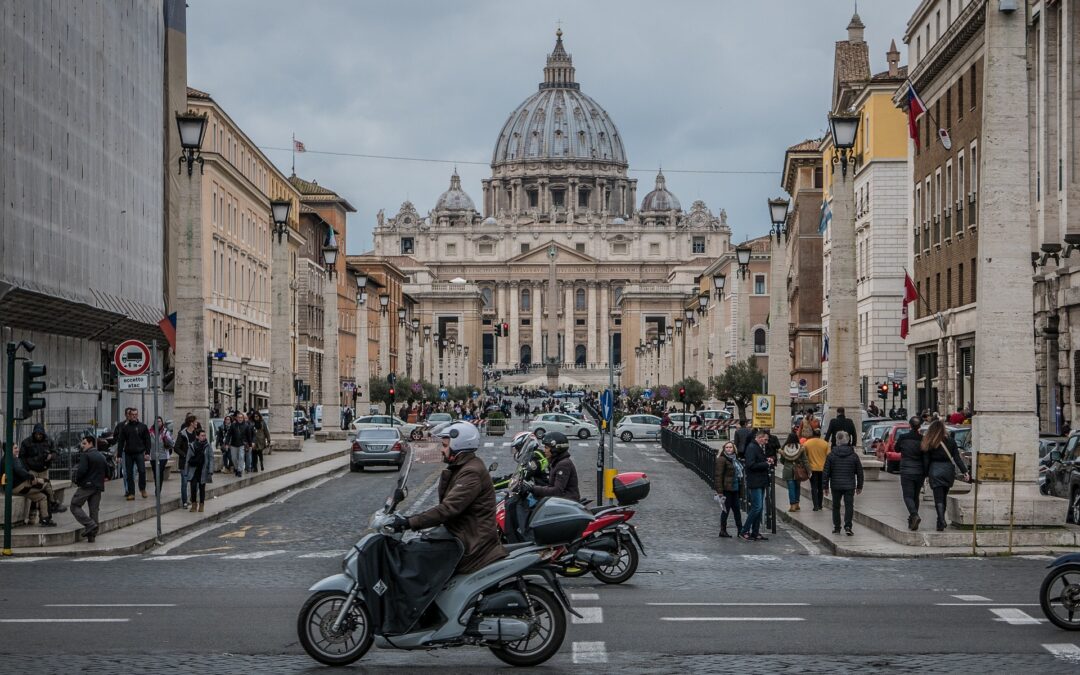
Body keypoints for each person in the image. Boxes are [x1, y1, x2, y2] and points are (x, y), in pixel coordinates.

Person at [390, 422, 507, 574]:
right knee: (420, 547)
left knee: (417, 557)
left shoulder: (470, 472)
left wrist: (409, 522)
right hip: (462, 534)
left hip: (472, 543)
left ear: (458, 446)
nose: (442, 450)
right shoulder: (463, 467)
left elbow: (448, 509)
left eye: (445, 446)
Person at [922, 420, 969, 532]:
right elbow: (957, 458)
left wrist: (926, 474)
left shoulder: (930, 442)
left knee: (938, 497)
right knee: (944, 496)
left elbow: (926, 461)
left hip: (935, 469)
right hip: (948, 470)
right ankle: (940, 522)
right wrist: (965, 471)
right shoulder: (951, 441)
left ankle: (941, 520)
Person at [19, 422, 65, 518]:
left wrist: (51, 456)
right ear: (34, 434)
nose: (39, 436)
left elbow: (55, 452)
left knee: (45, 492)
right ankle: (35, 516)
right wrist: (28, 471)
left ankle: (45, 515)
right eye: (37, 434)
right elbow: (22, 458)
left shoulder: (48, 441)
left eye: (40, 434)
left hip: (44, 470)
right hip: (32, 471)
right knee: (37, 492)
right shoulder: (26, 442)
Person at [823, 430, 863, 536]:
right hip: (849, 485)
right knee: (849, 505)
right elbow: (859, 472)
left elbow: (826, 472)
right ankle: (848, 526)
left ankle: (837, 527)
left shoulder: (831, 455)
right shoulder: (854, 456)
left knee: (836, 506)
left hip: (835, 485)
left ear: (837, 441)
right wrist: (859, 486)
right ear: (848, 440)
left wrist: (825, 486)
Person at [5, 444, 55, 526]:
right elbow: (19, 471)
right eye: (15, 448)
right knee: (46, 483)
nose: (17, 450)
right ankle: (53, 503)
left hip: (14, 488)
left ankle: (45, 519)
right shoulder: (14, 459)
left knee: (42, 497)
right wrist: (31, 477)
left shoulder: (4, 459)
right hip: (19, 487)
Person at [70, 435, 107, 542]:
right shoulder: (101, 456)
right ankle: (92, 536)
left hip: (87, 486)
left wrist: (77, 481)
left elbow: (81, 471)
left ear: (91, 443)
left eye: (84, 443)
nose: (82, 446)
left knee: (74, 505)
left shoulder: (86, 455)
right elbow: (108, 471)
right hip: (98, 487)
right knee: (94, 510)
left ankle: (90, 524)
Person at [738, 430, 773, 542]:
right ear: (759, 437)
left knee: (760, 508)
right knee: (757, 507)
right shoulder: (752, 447)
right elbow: (751, 464)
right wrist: (766, 464)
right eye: (765, 439)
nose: (767, 442)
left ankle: (755, 532)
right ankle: (744, 530)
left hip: (760, 481)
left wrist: (766, 460)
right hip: (755, 481)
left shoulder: (757, 447)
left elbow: (757, 461)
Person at [896, 417, 929, 531]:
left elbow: (896, 449)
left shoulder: (903, 437)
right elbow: (925, 457)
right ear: (919, 426)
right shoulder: (923, 439)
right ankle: (912, 520)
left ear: (909, 425)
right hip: (919, 471)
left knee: (907, 496)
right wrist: (926, 472)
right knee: (915, 496)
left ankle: (914, 515)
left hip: (906, 470)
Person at [529, 432, 580, 502]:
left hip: (567, 501)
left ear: (555, 449)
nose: (544, 451)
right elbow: (551, 486)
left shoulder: (563, 464)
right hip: (561, 500)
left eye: (546, 448)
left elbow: (557, 491)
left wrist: (533, 489)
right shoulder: (556, 462)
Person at [116, 407, 151, 501]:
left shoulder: (143, 426)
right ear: (129, 415)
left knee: (142, 471)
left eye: (136, 414)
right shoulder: (125, 428)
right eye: (132, 415)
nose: (134, 416)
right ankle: (131, 493)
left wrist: (147, 452)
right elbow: (121, 441)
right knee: (129, 474)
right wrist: (119, 455)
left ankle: (142, 488)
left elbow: (148, 440)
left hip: (139, 453)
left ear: (137, 415)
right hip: (128, 454)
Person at [714, 441, 743, 538]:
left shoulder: (734, 459)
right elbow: (718, 476)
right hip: (726, 489)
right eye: (727, 447)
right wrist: (720, 491)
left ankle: (740, 530)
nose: (729, 449)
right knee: (726, 511)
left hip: (735, 488)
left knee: (737, 510)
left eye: (730, 447)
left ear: (734, 449)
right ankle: (723, 530)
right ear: (724, 449)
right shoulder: (722, 459)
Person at [779, 432, 810, 512]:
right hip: (798, 470)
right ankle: (797, 504)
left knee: (791, 488)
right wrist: (808, 471)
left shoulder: (784, 448)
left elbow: (782, 460)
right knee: (797, 487)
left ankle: (792, 505)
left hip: (788, 471)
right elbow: (805, 460)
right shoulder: (800, 448)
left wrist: (787, 464)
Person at [186, 427, 214, 512]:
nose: (204, 437)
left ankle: (202, 504)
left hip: (203, 470)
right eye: (202, 435)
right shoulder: (192, 445)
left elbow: (211, 458)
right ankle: (194, 504)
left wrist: (211, 470)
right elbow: (188, 458)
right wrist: (186, 471)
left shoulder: (207, 445)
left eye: (204, 435)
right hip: (194, 470)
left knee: (202, 488)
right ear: (197, 436)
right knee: (193, 488)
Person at [173, 415, 198, 508]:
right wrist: (184, 454)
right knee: (184, 482)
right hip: (184, 462)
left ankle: (193, 498)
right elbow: (176, 447)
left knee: (195, 482)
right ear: (191, 423)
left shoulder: (196, 434)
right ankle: (184, 501)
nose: (197, 423)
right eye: (195, 422)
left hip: (194, 462)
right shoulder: (182, 434)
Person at [803, 429, 830, 511]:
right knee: (820, 488)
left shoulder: (807, 443)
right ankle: (820, 504)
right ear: (819, 435)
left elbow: (804, 456)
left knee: (814, 488)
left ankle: (815, 506)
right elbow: (828, 456)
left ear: (812, 434)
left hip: (812, 469)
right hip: (822, 469)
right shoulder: (825, 444)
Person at [149, 416, 172, 497]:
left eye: (159, 421)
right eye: (156, 421)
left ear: (162, 422)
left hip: (163, 456)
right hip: (153, 456)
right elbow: (147, 443)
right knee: (155, 473)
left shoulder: (165, 432)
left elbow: (171, 443)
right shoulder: (150, 432)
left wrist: (166, 438)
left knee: (160, 472)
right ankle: (157, 487)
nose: (158, 423)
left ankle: (158, 490)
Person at [224, 411, 250, 478]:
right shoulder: (233, 425)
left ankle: (239, 470)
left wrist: (250, 445)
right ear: (236, 418)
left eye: (241, 418)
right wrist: (226, 443)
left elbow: (248, 436)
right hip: (233, 444)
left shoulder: (246, 426)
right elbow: (229, 435)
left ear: (243, 418)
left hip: (242, 444)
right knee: (234, 458)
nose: (240, 419)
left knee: (241, 457)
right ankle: (236, 468)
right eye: (239, 417)